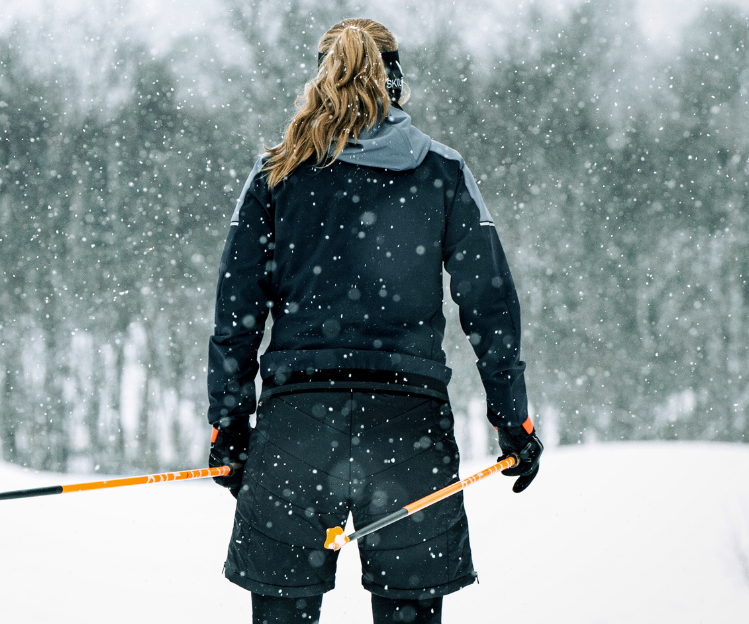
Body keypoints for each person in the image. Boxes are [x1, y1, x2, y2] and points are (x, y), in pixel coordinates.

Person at [204, 18, 543, 624]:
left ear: (320, 79)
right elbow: (490, 308)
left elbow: (237, 315)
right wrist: (512, 419)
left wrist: (228, 428)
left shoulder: (276, 175)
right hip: (407, 429)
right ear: (396, 83)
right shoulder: (443, 173)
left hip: (297, 429)